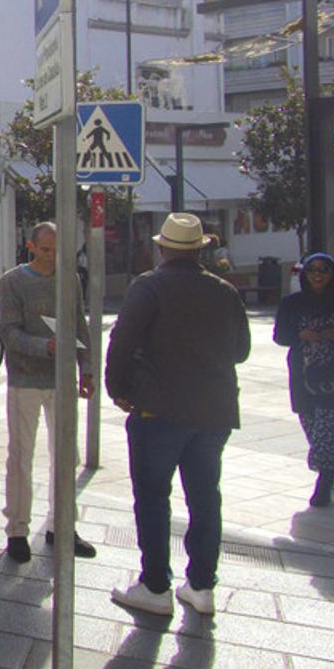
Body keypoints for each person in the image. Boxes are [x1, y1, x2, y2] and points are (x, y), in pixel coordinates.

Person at [104, 212, 251, 617]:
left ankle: (155, 585)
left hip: (159, 409)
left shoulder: (149, 287)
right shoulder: (224, 290)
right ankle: (202, 585)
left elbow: (121, 342)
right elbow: (241, 350)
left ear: (162, 248)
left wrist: (117, 389)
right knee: (205, 498)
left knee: (153, 497)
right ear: (200, 249)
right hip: (214, 411)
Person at [0, 222, 96, 564]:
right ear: (32, 247)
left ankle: (61, 525)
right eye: (46, 250)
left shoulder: (70, 280)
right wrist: (45, 346)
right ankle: (17, 529)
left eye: (58, 250)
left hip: (62, 379)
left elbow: (79, 324)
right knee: (21, 457)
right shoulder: (11, 281)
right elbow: (8, 333)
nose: (52, 257)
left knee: (66, 455)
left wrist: (88, 369)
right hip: (25, 378)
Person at [272, 253, 334, 507]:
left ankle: (324, 481)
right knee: (312, 428)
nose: (318, 274)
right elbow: (280, 336)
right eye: (312, 269)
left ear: (332, 274)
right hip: (303, 376)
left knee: (327, 426)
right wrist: (300, 334)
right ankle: (330, 465)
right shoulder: (292, 304)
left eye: (324, 270)